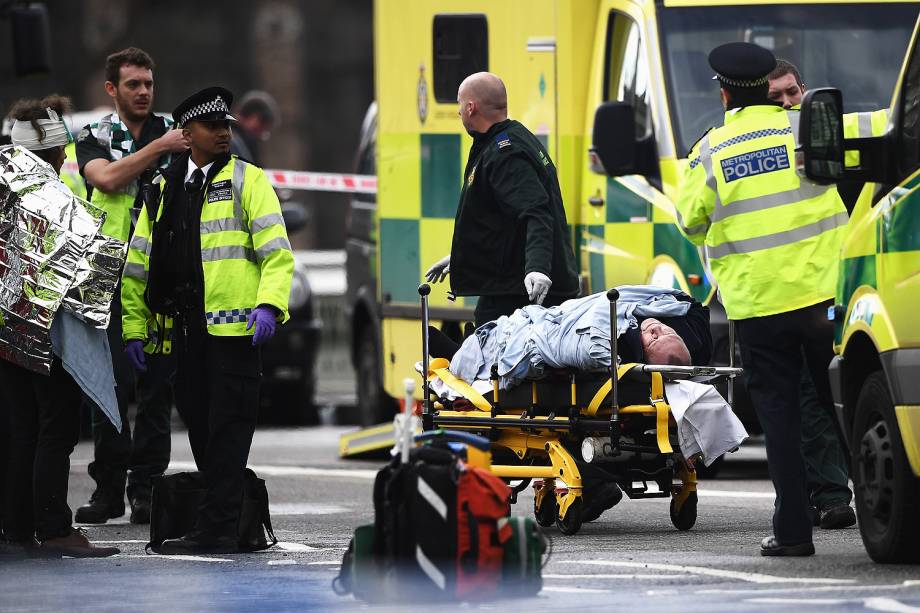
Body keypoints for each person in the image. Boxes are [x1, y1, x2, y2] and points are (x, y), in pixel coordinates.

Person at [675, 42, 850, 556]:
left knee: (779, 420)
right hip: (824, 299)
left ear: (725, 93)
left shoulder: (711, 149)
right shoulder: (807, 128)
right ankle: (893, 515)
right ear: (769, 92)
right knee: (846, 403)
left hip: (758, 311)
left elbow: (690, 222)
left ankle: (794, 533)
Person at [121, 87, 293, 553]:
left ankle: (217, 527)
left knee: (230, 429)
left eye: (226, 126)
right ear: (186, 133)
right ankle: (229, 520)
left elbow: (277, 254)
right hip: (183, 332)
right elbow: (139, 264)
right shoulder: (163, 187)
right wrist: (134, 328)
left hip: (234, 333)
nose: (222, 133)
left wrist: (270, 305)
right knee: (199, 424)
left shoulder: (248, 180)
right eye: (212, 126)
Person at [0, 95, 119, 558]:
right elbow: (85, 267)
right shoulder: (49, 197)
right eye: (63, 150)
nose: (69, 156)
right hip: (45, 336)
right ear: (53, 152)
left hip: (6, 335)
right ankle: (53, 527)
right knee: (56, 431)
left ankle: (15, 524)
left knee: (20, 430)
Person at [75, 47, 187, 525]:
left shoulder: (176, 129)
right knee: (110, 390)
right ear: (111, 90)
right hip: (109, 279)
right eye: (133, 85)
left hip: (159, 280)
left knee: (157, 393)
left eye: (148, 84)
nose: (143, 92)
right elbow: (105, 179)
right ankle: (108, 491)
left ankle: (146, 490)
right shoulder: (95, 136)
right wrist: (160, 150)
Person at [767, 60, 857, 530]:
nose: (786, 104)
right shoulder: (762, 150)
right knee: (806, 395)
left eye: (791, 93)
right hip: (780, 294)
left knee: (825, 393)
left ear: (804, 90)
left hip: (829, 288)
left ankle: (833, 491)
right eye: (775, 97)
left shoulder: (826, 137)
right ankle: (826, 495)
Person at [425, 72, 579, 327]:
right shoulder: (513, 138)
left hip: (519, 295)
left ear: (471, 107)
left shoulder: (504, 154)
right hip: (511, 285)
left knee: (488, 357)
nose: (459, 113)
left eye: (460, 105)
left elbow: (536, 212)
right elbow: (502, 223)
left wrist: (538, 269)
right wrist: (462, 257)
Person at [229, 90, 280, 165]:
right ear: (254, 118)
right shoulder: (231, 143)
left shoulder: (238, 142)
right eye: (261, 127)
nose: (261, 134)